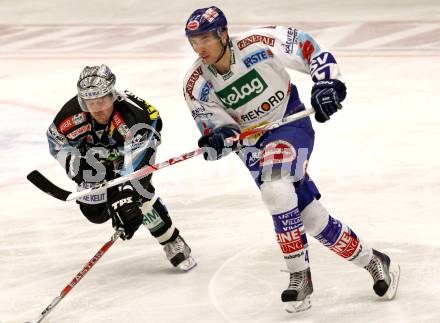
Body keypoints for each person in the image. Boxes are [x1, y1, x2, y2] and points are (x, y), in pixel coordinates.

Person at [182, 6, 400, 312]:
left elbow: (309, 47)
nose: (199, 47)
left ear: (223, 33)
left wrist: (327, 83)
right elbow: (220, 129)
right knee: (308, 216)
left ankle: (299, 275)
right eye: (194, 41)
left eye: (205, 38)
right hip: (252, 144)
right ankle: (373, 260)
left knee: (275, 189)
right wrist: (218, 139)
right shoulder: (195, 84)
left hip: (289, 121)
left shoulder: (258, 43)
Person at [47, 64, 196, 271]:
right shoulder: (70, 116)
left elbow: (135, 166)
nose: (98, 108)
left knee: (138, 195)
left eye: (103, 100)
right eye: (91, 103)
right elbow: (57, 142)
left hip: (135, 150)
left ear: (113, 95)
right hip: (93, 156)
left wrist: (126, 194)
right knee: (95, 212)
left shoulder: (135, 117)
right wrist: (77, 168)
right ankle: (114, 203)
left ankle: (170, 239)